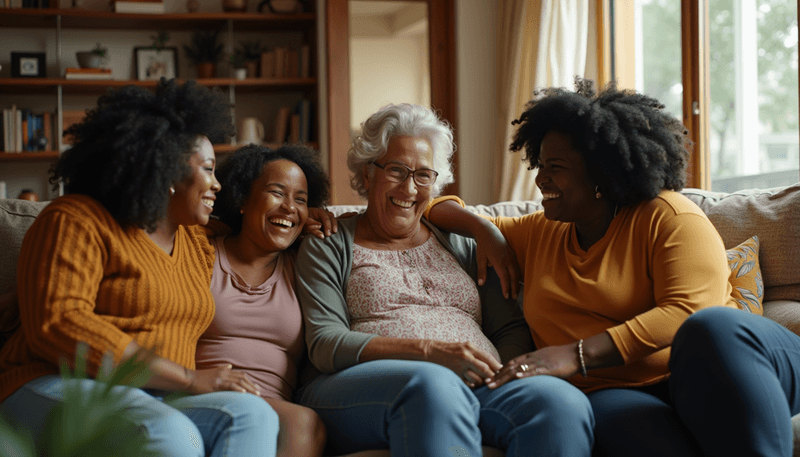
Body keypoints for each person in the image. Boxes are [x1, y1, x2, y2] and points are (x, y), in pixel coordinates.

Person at [426, 77, 800, 456]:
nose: (540, 179)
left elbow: (687, 312)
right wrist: (482, 228)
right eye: (540, 164)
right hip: (614, 391)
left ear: (601, 176)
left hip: (720, 371)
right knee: (616, 420)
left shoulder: (669, 217)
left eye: (555, 166)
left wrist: (574, 354)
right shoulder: (539, 232)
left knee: (712, 327)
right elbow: (431, 208)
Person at [294, 103, 594, 457]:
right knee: (432, 385)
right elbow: (327, 343)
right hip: (361, 387)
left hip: (473, 384)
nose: (409, 188)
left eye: (423, 175)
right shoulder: (328, 242)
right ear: (367, 173)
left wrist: (497, 375)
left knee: (560, 403)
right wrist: (430, 353)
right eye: (396, 170)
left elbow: (510, 329)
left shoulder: (461, 242)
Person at [0, 79, 279, 457]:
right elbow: (59, 325)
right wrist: (187, 378)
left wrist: (305, 217)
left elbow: (253, 227)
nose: (217, 185)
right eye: (209, 169)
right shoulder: (75, 221)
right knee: (171, 433)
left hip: (152, 393)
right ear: (166, 171)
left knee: (252, 415)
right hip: (51, 381)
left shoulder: (196, 240)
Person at [195, 144, 330, 457]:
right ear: (242, 198)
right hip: (206, 393)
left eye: (301, 200)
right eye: (277, 193)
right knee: (303, 422)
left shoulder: (306, 264)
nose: (289, 208)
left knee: (302, 422)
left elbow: (363, 227)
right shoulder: (202, 252)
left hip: (275, 407)